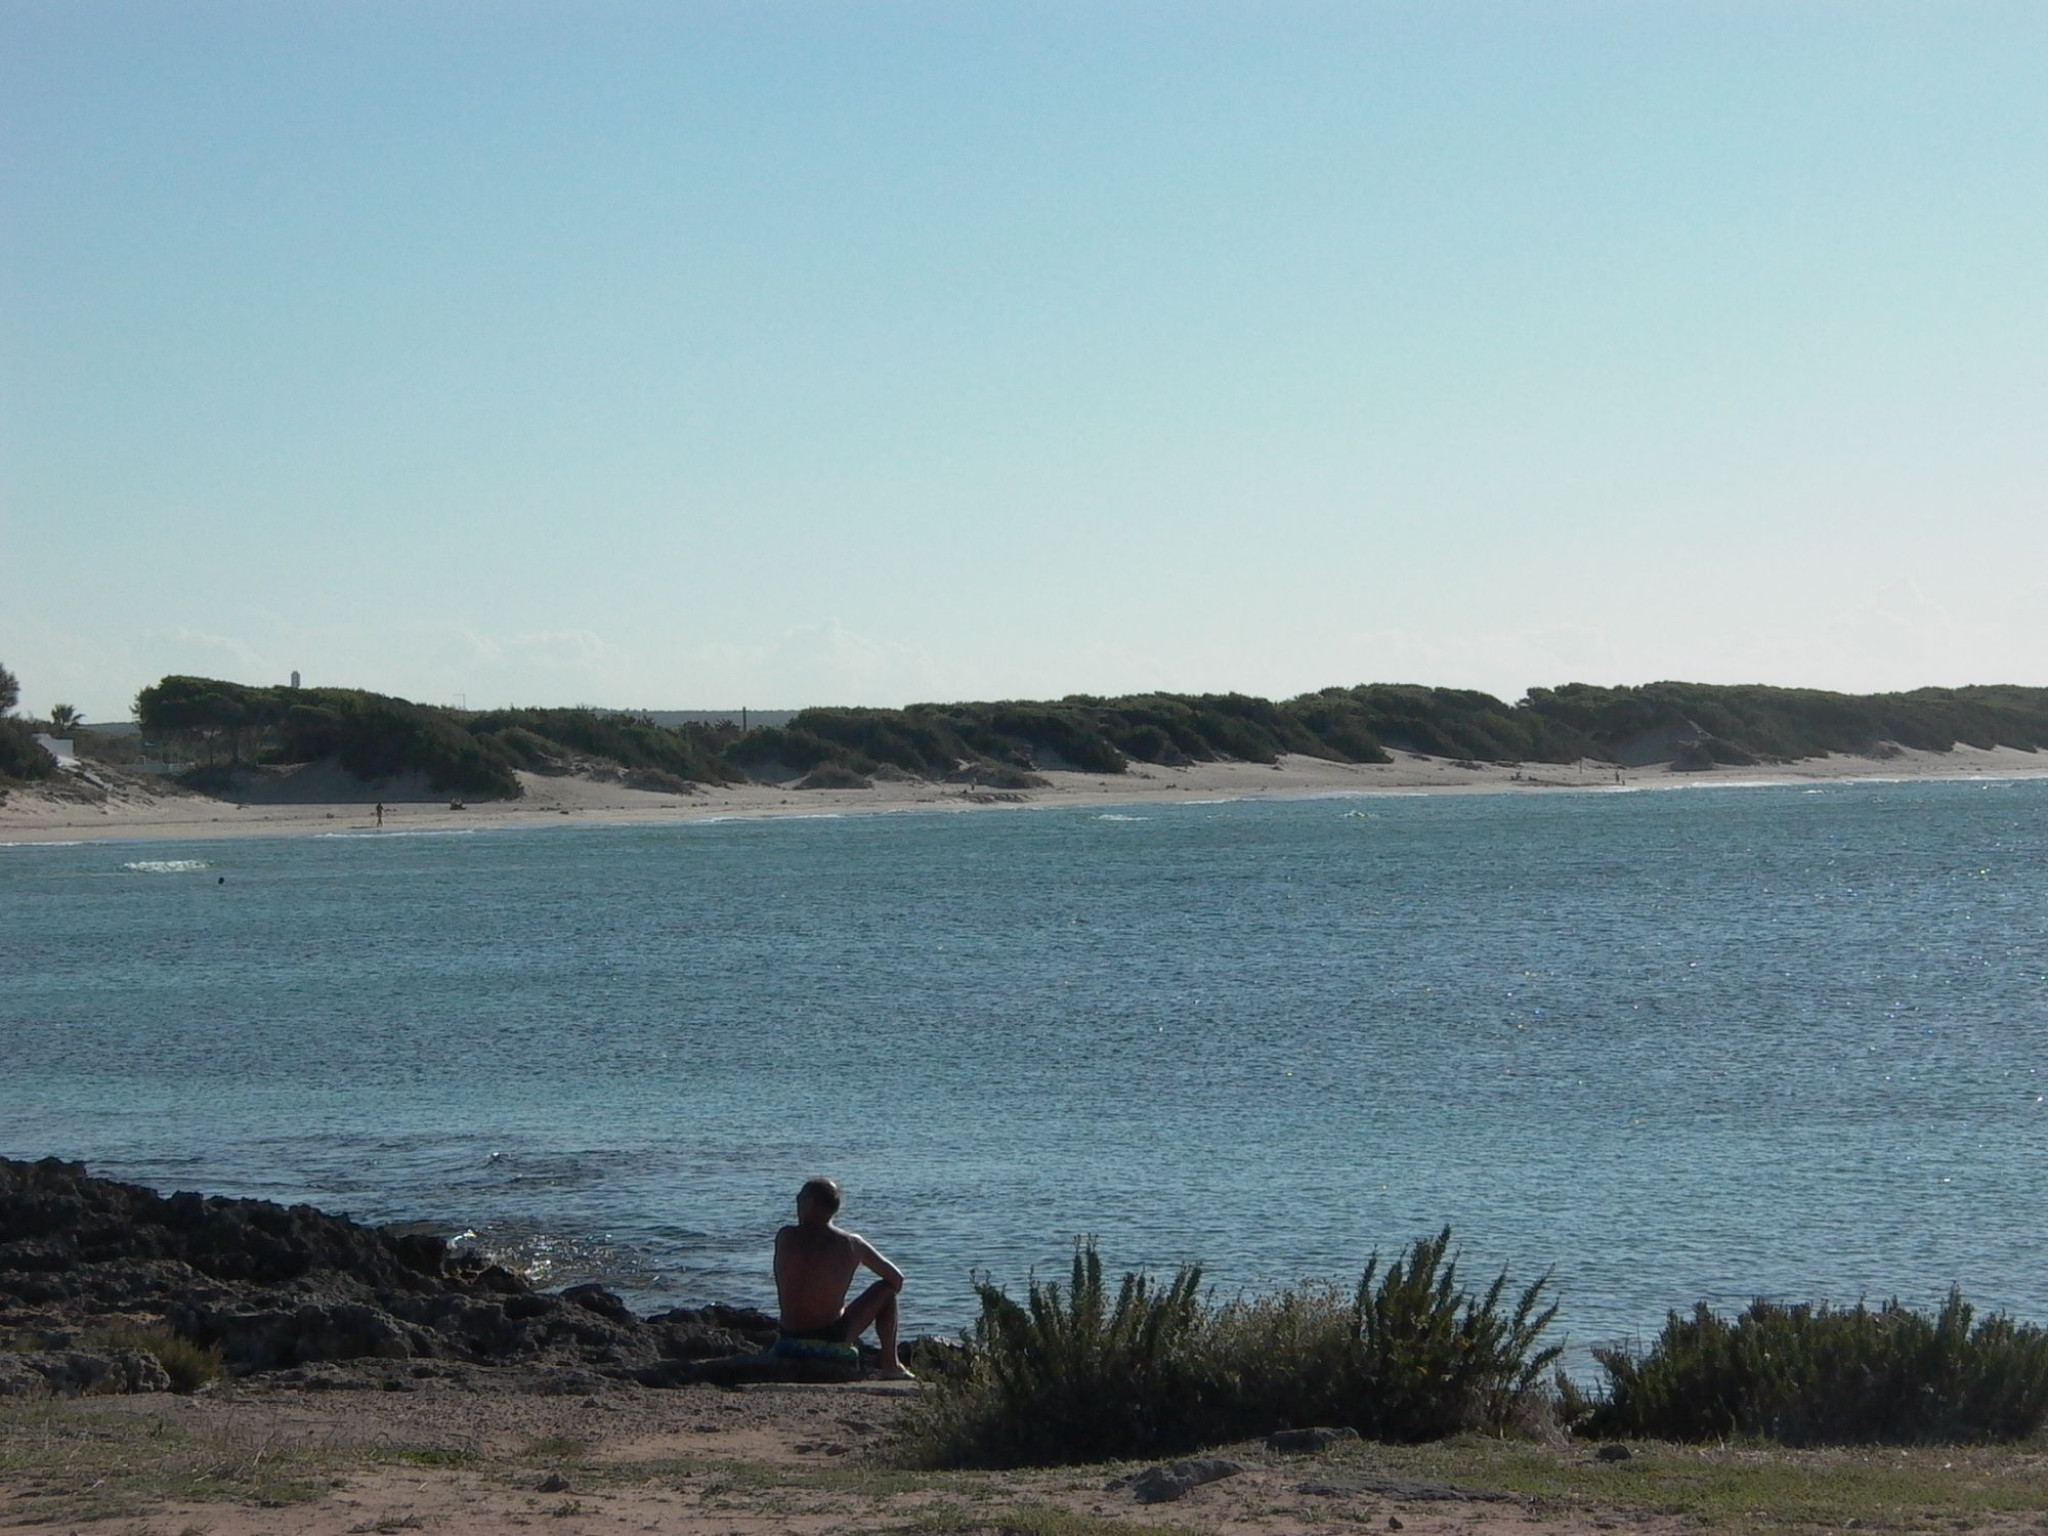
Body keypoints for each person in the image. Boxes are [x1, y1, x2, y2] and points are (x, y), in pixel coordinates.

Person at [773, 1176, 913, 1379]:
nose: (796, 1202)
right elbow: (896, 1280)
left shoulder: (784, 1236)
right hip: (832, 1335)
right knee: (887, 1291)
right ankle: (891, 1365)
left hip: (789, 1333)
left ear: (810, 1203)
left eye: (799, 1198)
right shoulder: (851, 1244)